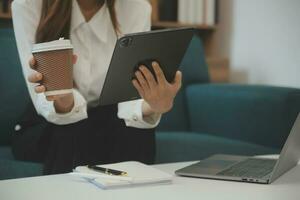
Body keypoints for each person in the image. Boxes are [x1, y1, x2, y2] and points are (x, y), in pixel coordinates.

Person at [11, 0, 182, 174]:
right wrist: (65, 101)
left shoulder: (136, 8)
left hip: (107, 120)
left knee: (137, 130)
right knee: (70, 131)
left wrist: (153, 106)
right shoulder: (28, 5)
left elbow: (128, 101)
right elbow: (42, 100)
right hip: (48, 124)